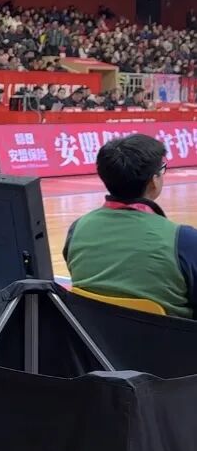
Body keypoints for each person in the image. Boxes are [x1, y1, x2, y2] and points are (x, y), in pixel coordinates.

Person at [64, 134, 197, 318]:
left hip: (91, 334)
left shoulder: (78, 229)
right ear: (154, 180)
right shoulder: (183, 240)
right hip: (164, 336)